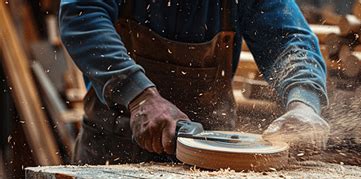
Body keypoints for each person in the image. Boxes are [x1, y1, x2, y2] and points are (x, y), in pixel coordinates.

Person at [59, 0, 329, 165]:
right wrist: (138, 95)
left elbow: (289, 40)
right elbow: (83, 15)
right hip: (115, 145)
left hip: (214, 152)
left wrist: (303, 103)